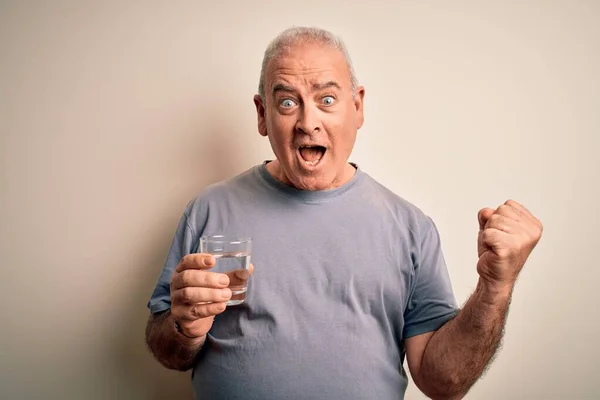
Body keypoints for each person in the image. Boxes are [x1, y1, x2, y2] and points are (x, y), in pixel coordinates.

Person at [145, 26, 543, 399]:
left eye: (327, 100)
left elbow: (443, 382)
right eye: (286, 102)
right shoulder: (210, 209)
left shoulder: (409, 227)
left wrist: (496, 287)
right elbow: (167, 349)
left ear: (357, 107)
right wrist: (184, 328)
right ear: (262, 114)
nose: (307, 122)